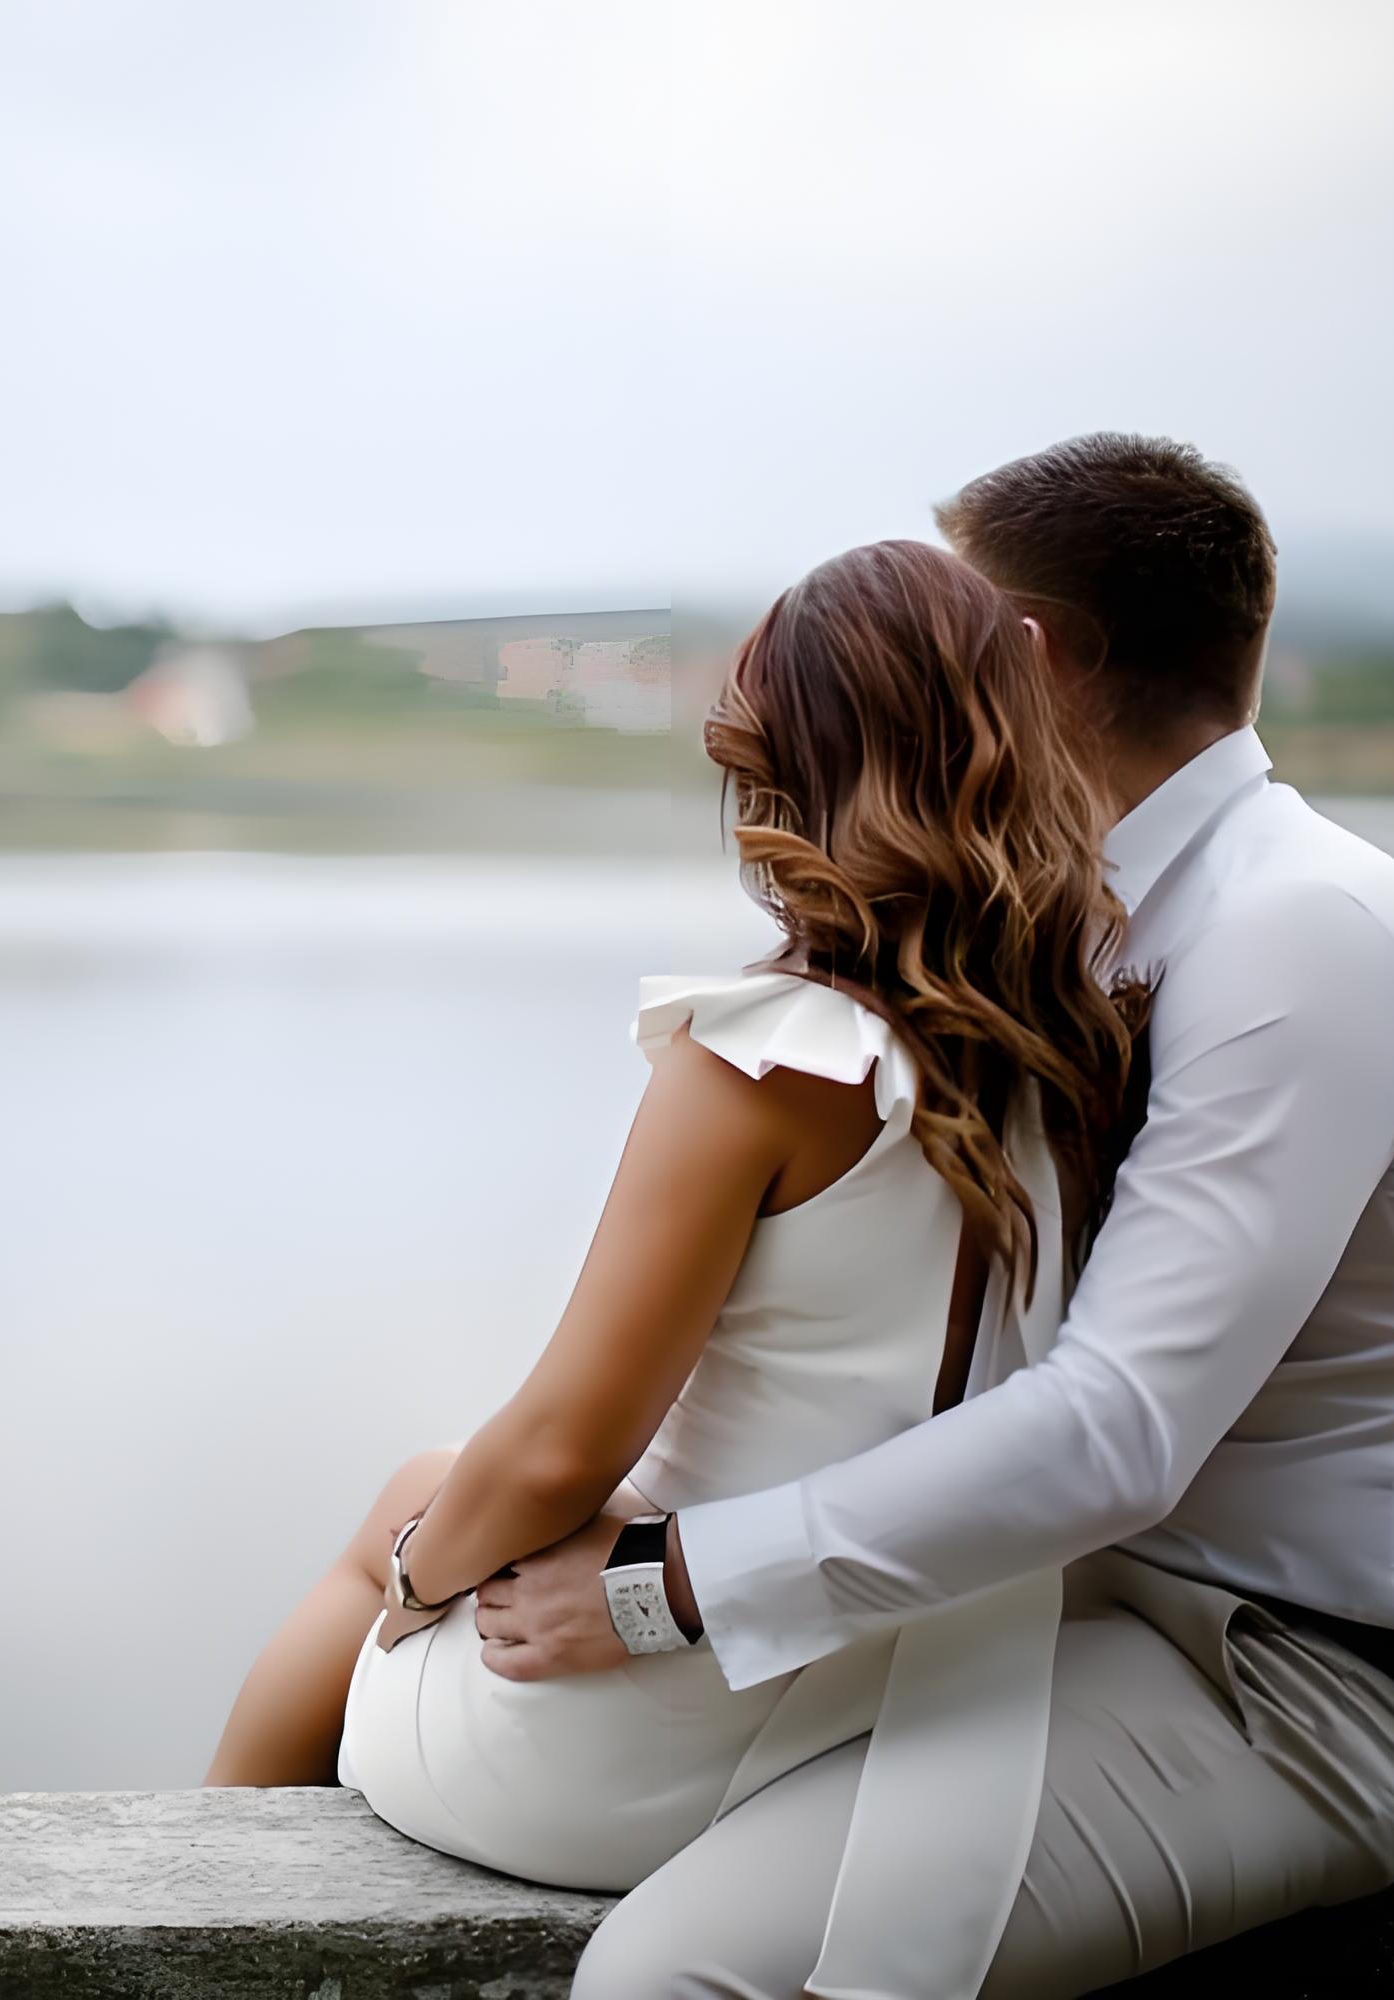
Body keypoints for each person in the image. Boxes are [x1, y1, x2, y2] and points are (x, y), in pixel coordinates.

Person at [427, 436, 1394, 1998]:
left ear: (1024, 654)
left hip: (1286, 1682)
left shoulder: (1304, 935)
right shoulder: (1076, 926)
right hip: (1070, 1604)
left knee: (671, 1977)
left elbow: (1118, 1429)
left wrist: (665, 1584)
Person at [206, 532, 1157, 1992]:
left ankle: (199, 1897)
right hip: (896, 1717)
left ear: (785, 766)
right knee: (440, 1484)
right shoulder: (1096, 1050)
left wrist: (415, 1585)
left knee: (414, 1504)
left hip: (625, 1749)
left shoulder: (766, 1060)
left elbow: (563, 1450)